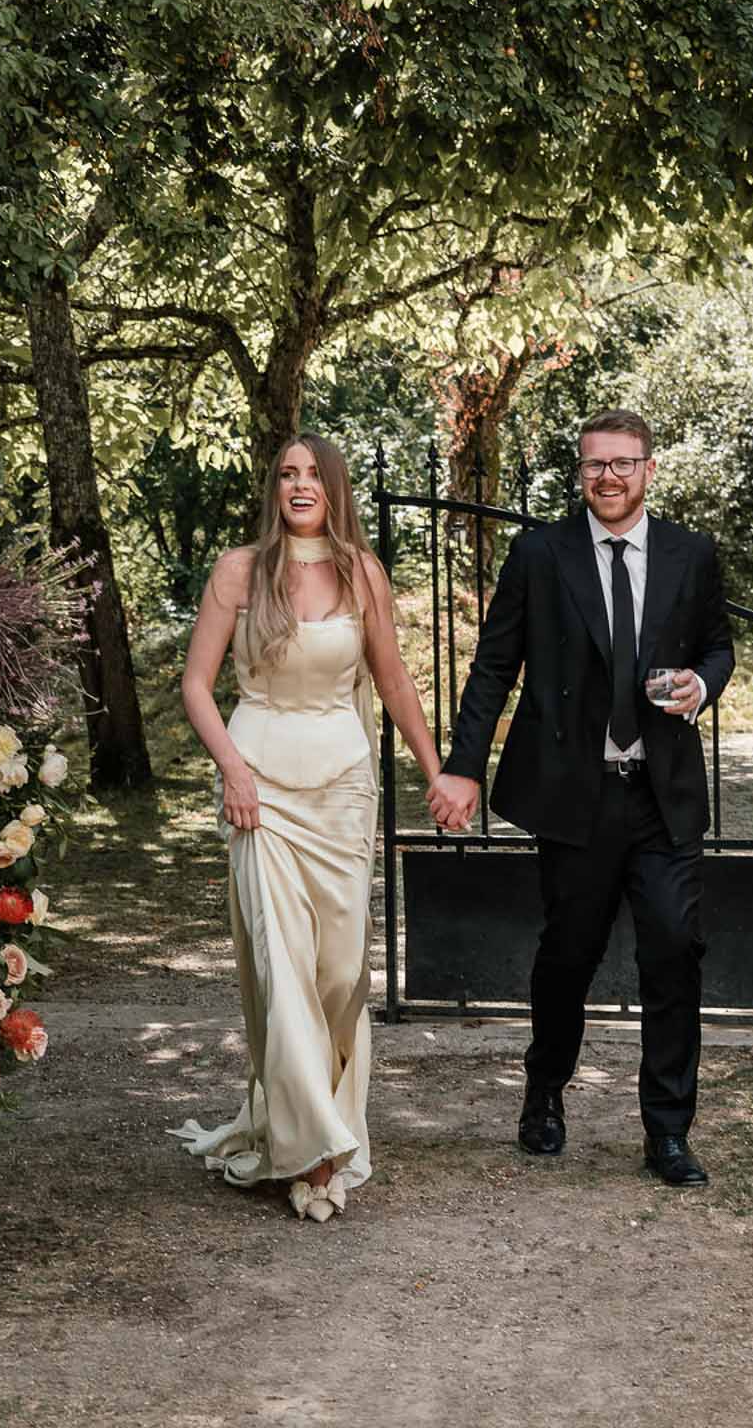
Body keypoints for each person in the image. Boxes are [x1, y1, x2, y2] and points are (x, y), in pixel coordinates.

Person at [427, 409, 734, 1186]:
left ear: (648, 470)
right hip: (574, 796)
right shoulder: (539, 553)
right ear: (580, 472)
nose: (609, 477)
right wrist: (463, 765)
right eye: (595, 464)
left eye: (624, 463)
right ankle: (543, 1091)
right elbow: (494, 666)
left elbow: (717, 644)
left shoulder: (690, 554)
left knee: (674, 949)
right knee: (567, 956)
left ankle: (667, 1132)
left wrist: (703, 683)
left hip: (660, 793)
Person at [172, 433, 451, 1222]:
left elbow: (391, 679)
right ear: (275, 489)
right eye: (286, 474)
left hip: (341, 789)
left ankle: (318, 1116)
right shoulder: (238, 570)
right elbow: (196, 685)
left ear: (333, 487)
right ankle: (315, 1146)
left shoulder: (363, 570)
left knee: (337, 974)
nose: (298, 486)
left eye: (311, 475)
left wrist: (434, 774)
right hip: (260, 787)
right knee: (280, 966)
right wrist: (232, 771)